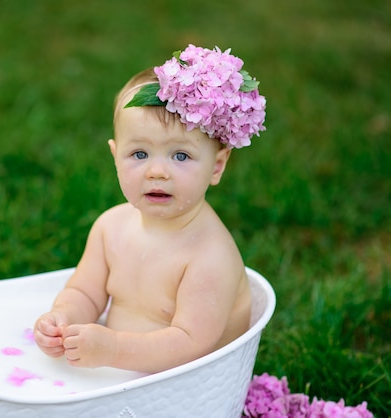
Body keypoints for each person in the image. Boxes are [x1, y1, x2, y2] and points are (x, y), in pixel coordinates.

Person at [34, 45, 267, 374]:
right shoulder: (110, 227)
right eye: (140, 154)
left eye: (181, 156)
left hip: (184, 388)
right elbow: (85, 292)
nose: (157, 172)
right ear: (115, 156)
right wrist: (63, 319)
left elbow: (191, 344)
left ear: (217, 166)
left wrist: (113, 349)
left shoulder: (209, 256)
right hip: (114, 371)